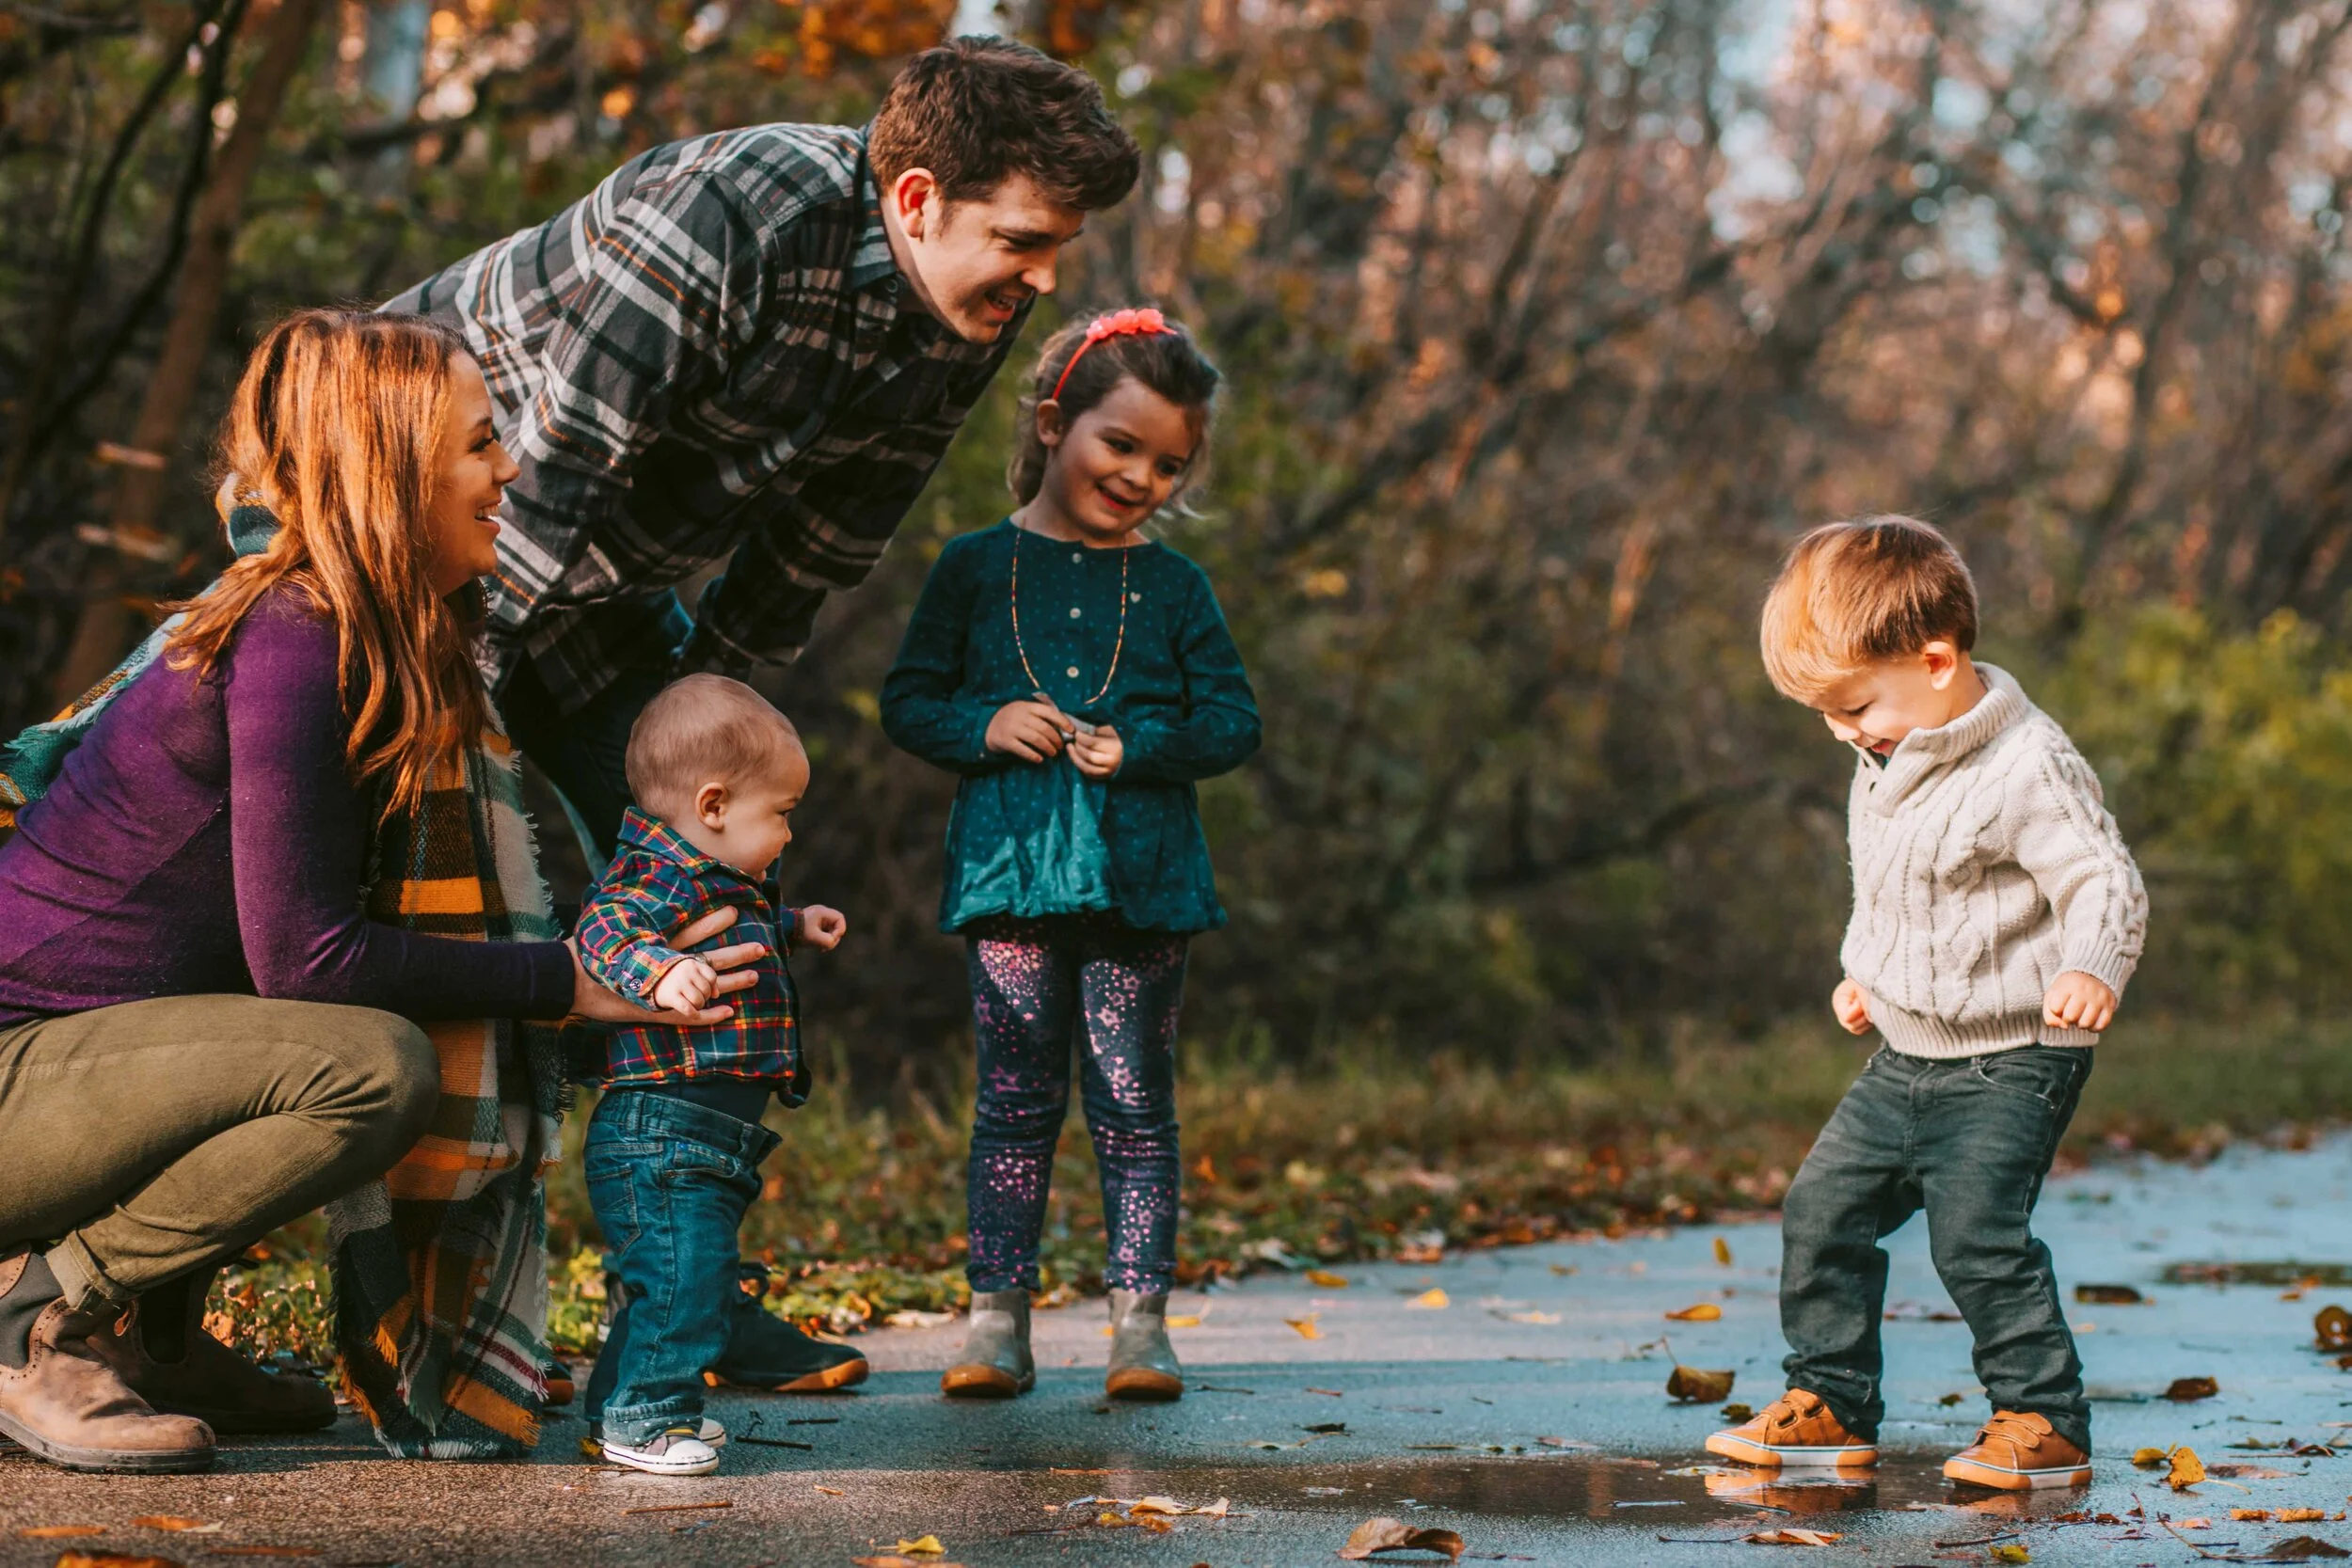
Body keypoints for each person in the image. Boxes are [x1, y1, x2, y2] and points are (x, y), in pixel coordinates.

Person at [0, 310, 756, 1473]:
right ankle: (35, 1316)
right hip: (19, 1075)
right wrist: (567, 979)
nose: (508, 469)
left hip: (89, 1064)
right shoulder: (294, 637)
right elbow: (307, 962)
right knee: (368, 1063)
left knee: (297, 1037)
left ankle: (155, 1334)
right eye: (476, 444)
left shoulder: (376, 635)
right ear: (391, 469)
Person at [385, 34, 1141, 866]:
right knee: (406, 834)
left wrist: (703, 711)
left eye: (1057, 248)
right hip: (390, 518)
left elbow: (826, 539)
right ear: (919, 199)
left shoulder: (976, 306)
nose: (1044, 280)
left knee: (711, 859)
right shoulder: (739, 210)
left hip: (592, 581)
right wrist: (445, 716)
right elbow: (558, 470)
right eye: (1022, 239)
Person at [1708, 515, 2148, 1491]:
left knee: (1975, 1236)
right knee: (1822, 1210)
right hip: (1906, 1053)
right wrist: (1869, 972)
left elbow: (2102, 880)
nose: (1842, 730)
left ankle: (2043, 1418)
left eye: (1854, 704)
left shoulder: (2026, 763)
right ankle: (1827, 1401)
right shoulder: (1887, 756)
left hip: (2017, 1053)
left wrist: (2089, 966)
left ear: (1936, 659)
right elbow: (1899, 890)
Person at [880, 308, 1259, 1402]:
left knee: (1135, 1101)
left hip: (1143, 887)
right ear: (1055, 423)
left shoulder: (1177, 586)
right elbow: (910, 700)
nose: (1141, 475)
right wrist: (985, 725)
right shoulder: (972, 567)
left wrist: (1141, 749)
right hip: (1010, 879)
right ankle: (996, 1318)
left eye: (1168, 463)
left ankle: (1140, 1325)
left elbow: (1234, 722)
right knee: (1012, 1099)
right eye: (1120, 444)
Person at [570, 674, 853, 1477]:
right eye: (783, 814)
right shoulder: (656, 875)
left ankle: (617, 1411)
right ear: (715, 804)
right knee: (686, 1283)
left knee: (667, 1278)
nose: (789, 835)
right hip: (661, 1129)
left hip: (700, 1132)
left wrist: (793, 925)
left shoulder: (722, 878)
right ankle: (649, 1418)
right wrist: (658, 973)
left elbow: (746, 930)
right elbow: (604, 928)